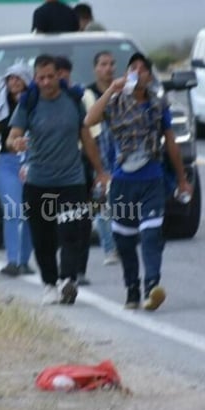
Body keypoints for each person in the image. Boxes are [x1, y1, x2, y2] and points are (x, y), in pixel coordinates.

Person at [84, 52, 192, 312]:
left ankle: (152, 287)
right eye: (134, 69)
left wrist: (181, 179)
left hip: (152, 180)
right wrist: (112, 88)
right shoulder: (116, 102)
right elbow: (89, 120)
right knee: (125, 241)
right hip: (122, 183)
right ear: (127, 74)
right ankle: (132, 289)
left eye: (144, 69)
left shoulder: (157, 104)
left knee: (152, 234)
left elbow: (172, 143)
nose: (139, 73)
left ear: (150, 76)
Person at [7, 55, 109, 306]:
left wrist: (100, 171)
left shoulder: (73, 100)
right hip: (38, 181)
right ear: (35, 79)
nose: (46, 82)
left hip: (71, 180)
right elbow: (12, 136)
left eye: (50, 76)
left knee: (71, 232)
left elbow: (86, 137)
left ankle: (67, 280)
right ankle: (50, 284)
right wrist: (15, 143)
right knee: (43, 239)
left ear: (59, 76)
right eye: (40, 77)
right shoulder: (28, 103)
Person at [0, 63, 36, 277]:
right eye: (10, 78)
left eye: (18, 78)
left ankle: (24, 260)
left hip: (32, 162)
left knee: (31, 213)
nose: (14, 82)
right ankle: (12, 260)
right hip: (7, 163)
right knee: (12, 211)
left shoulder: (35, 103)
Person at [54, 56, 91, 285]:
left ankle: (77, 270)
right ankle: (58, 272)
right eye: (55, 75)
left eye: (63, 74)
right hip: (50, 167)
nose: (60, 79)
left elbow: (91, 133)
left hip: (78, 163)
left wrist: (97, 169)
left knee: (81, 219)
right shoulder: (39, 100)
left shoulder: (81, 97)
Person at [84, 51, 119, 265]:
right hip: (98, 154)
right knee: (101, 202)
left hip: (121, 154)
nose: (108, 68)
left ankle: (122, 242)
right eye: (103, 64)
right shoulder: (88, 94)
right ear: (96, 68)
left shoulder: (123, 91)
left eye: (111, 64)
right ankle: (110, 248)